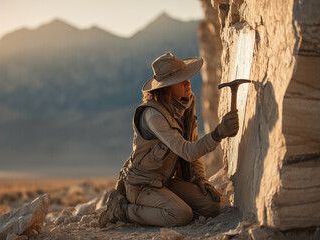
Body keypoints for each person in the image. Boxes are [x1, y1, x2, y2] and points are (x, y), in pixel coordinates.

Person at [99, 52, 239, 227]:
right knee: (180, 215)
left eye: (187, 77)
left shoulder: (186, 103)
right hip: (142, 185)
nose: (188, 82)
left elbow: (192, 142)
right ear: (165, 87)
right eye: (180, 80)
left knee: (212, 206)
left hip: (164, 181)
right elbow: (187, 151)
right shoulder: (153, 115)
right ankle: (122, 210)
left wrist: (201, 179)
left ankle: (163, 206)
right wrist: (218, 133)